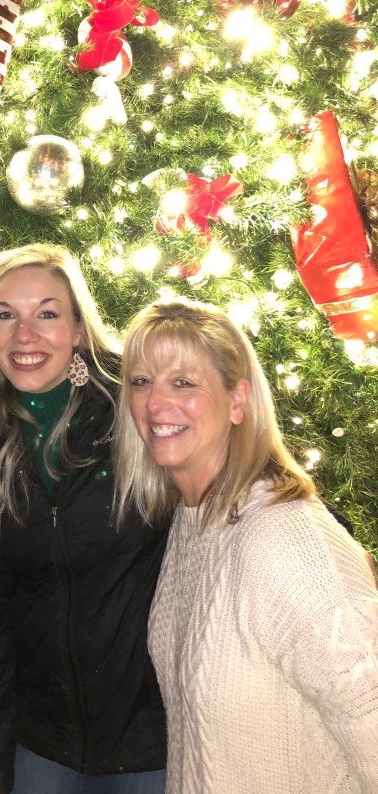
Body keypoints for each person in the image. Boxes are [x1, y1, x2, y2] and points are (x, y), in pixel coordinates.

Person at [115, 297, 378, 794]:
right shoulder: (192, 518)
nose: (154, 403)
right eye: (142, 381)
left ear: (238, 399)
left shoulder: (283, 538)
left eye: (183, 382)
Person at [0, 244, 167, 794]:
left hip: (151, 739)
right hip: (43, 741)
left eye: (46, 313)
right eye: (6, 315)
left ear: (77, 329)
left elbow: (235, 473)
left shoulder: (136, 410)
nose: (25, 335)